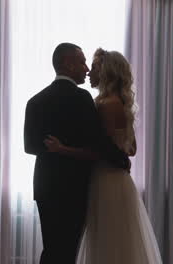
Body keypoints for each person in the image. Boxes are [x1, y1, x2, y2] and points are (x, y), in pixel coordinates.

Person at [44, 48, 163, 264]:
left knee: (106, 242)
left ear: (107, 73)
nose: (89, 72)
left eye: (95, 67)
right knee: (119, 241)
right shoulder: (120, 103)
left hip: (106, 180)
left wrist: (63, 149)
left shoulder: (105, 105)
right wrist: (121, 156)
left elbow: (99, 150)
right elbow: (131, 149)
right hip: (119, 180)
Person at [23, 43, 130, 264]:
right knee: (69, 250)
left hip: (45, 186)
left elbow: (30, 147)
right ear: (68, 64)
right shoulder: (82, 98)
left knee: (52, 248)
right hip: (74, 187)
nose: (86, 69)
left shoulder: (34, 101)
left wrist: (55, 149)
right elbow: (98, 142)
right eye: (82, 62)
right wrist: (121, 160)